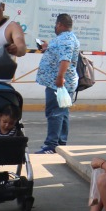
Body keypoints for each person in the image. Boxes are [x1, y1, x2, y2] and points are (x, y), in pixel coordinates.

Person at [35, 13, 80, 154]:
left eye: (56, 24)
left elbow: (65, 59)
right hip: (60, 83)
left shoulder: (65, 39)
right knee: (62, 112)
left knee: (55, 113)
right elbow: (61, 53)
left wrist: (60, 77)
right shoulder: (66, 38)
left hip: (58, 84)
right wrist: (47, 47)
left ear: (59, 24)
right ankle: (61, 144)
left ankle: (51, 145)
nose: (55, 27)